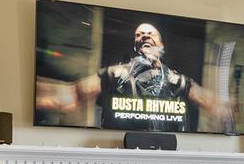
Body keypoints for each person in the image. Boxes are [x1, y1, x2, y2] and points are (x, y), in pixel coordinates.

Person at [77, 22, 234, 129]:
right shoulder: (112, 75)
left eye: (151, 34)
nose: (145, 36)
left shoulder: (179, 82)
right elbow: (74, 96)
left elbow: (219, 107)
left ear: (161, 45)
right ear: (135, 46)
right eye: (139, 34)